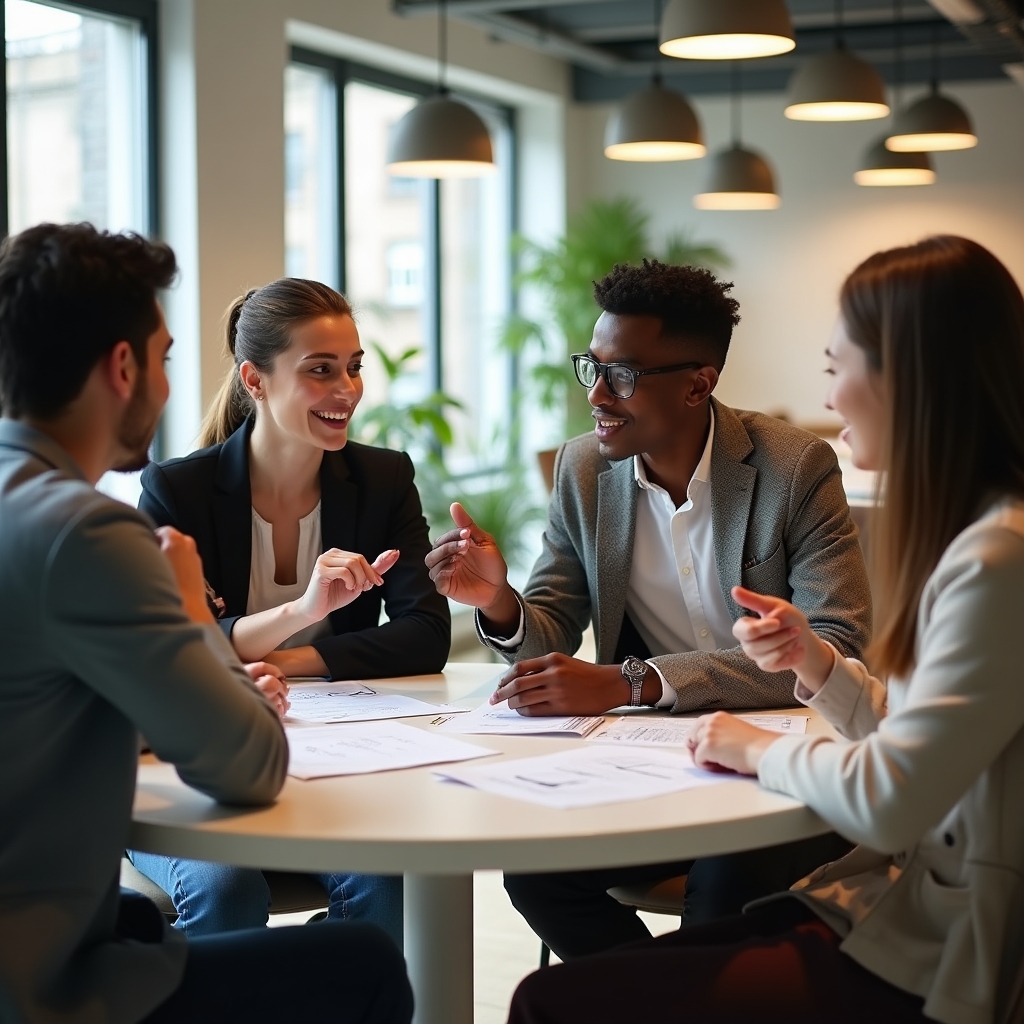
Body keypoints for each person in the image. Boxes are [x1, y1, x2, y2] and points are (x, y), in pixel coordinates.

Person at [507, 235, 1024, 1024]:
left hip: (945, 944)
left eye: (835, 367)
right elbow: (926, 737)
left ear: (909, 381)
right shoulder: (984, 541)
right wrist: (816, 665)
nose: (833, 394)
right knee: (560, 907)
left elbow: (893, 798)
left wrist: (758, 746)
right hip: (902, 908)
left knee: (551, 1002)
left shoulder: (993, 559)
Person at [0, 222, 412, 1024]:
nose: (167, 384)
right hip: (42, 983)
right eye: (163, 358)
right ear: (123, 368)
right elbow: (250, 767)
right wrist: (193, 618)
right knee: (362, 963)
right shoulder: (86, 532)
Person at [426, 258, 871, 958]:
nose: (597, 395)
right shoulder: (583, 469)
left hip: (783, 765)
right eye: (592, 367)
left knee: (726, 885)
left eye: (624, 374)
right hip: (650, 762)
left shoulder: (794, 469)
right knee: (539, 872)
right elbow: (551, 619)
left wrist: (633, 681)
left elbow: (836, 644)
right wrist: (497, 600)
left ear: (699, 383)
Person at [127, 278, 450, 946]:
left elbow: (425, 635)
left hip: (330, 759)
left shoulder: (382, 479)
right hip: (185, 772)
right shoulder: (176, 491)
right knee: (225, 886)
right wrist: (298, 612)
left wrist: (282, 659)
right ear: (256, 379)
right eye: (321, 371)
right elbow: (161, 648)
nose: (347, 390)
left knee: (385, 875)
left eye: (354, 367)